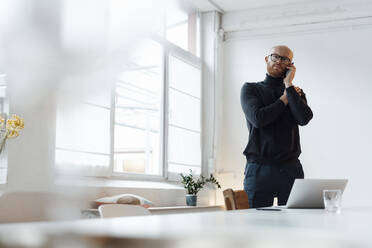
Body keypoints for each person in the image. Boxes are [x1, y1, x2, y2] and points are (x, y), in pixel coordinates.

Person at [240, 45, 313, 208]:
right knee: (256, 225)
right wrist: (284, 99)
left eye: (285, 59)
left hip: (290, 168)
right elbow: (258, 119)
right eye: (275, 57)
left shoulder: (295, 92)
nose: (279, 61)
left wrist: (289, 85)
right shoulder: (251, 89)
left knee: (295, 224)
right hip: (259, 168)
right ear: (267, 59)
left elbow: (304, 119)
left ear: (290, 65)